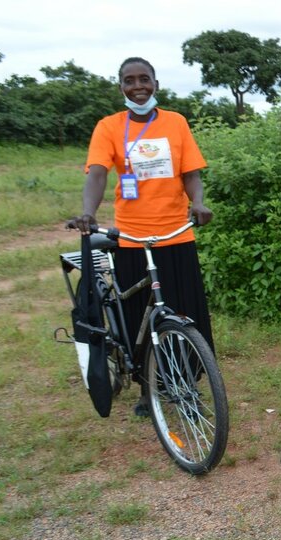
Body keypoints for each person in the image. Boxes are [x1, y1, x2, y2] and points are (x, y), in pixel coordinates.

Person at [70, 57, 214, 417]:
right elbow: (98, 173)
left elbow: (191, 173)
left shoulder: (175, 122)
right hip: (132, 236)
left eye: (144, 79)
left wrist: (197, 203)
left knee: (186, 312)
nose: (138, 87)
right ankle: (149, 388)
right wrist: (89, 212)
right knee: (138, 316)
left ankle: (187, 384)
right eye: (130, 80)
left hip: (176, 236)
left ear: (155, 83)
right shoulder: (108, 127)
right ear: (120, 86)